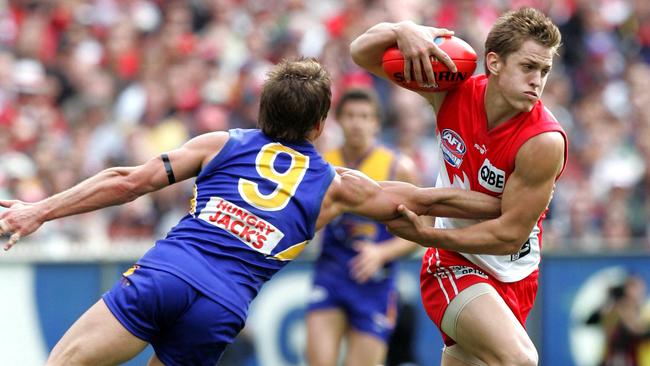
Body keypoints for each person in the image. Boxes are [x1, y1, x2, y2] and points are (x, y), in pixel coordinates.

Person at [0, 58, 501, 366]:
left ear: (263, 110)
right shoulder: (338, 186)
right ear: (322, 123)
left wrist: (39, 210)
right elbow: (427, 200)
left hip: (167, 274)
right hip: (222, 308)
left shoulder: (221, 143)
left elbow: (126, 181)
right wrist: (514, 204)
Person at [351, 7, 567, 366]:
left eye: (544, 71)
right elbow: (362, 51)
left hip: (516, 274)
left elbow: (509, 235)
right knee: (521, 360)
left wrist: (426, 235)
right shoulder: (451, 88)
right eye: (528, 67)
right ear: (494, 63)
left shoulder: (543, 141)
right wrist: (403, 28)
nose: (537, 80)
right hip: (453, 263)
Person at [305, 88, 420, 366]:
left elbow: (418, 235)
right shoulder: (322, 164)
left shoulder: (398, 166)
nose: (357, 123)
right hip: (331, 273)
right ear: (338, 120)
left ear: (376, 123)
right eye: (351, 116)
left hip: (376, 284)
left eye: (365, 116)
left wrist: (381, 253)